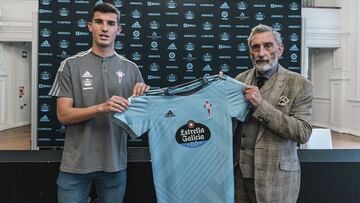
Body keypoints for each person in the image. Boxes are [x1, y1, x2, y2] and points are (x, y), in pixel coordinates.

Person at [48, 3, 148, 203]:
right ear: (89, 26)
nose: (104, 28)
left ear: (118, 30)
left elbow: (140, 125)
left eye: (110, 23)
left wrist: (143, 102)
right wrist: (101, 108)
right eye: (99, 22)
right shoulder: (70, 64)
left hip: (114, 165)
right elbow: (63, 115)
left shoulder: (131, 69)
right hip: (75, 165)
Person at [233, 24, 313, 203]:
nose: (262, 53)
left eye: (268, 46)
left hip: (276, 183)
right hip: (239, 180)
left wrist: (261, 106)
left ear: (280, 49)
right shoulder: (239, 80)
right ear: (250, 52)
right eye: (256, 47)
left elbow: (303, 132)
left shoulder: (300, 84)